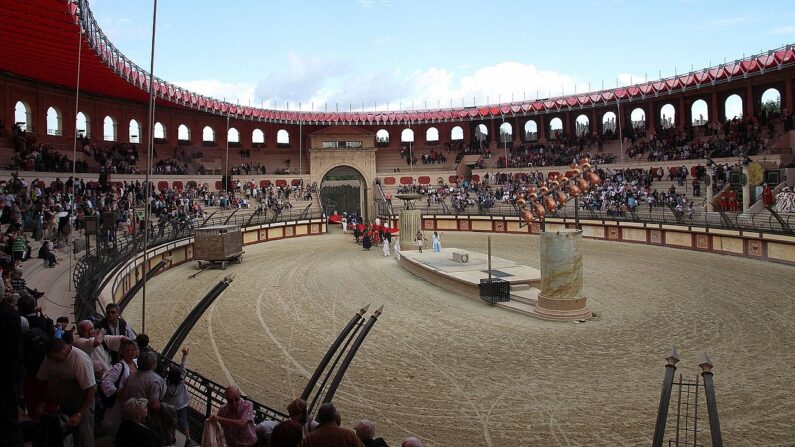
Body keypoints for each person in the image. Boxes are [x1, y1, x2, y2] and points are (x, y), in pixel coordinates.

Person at [36, 338, 96, 447]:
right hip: (63, 404)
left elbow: (91, 389)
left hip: (82, 404)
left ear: (65, 349)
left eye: (56, 357)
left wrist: (79, 414)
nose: (54, 360)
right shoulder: (49, 358)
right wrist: (43, 401)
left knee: (83, 437)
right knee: (63, 437)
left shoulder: (80, 360)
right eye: (51, 358)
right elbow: (44, 381)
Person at [101, 339, 139, 436]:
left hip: (134, 401)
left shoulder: (136, 362)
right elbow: (106, 383)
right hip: (122, 402)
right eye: (129, 350)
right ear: (123, 352)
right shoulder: (119, 366)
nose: (132, 352)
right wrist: (119, 394)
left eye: (134, 349)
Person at [163, 347, 192, 447]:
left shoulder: (167, 386)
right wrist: (185, 355)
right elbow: (183, 366)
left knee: (171, 422)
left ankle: (172, 437)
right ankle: (188, 438)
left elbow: (163, 396)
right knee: (183, 421)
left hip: (171, 407)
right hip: (183, 404)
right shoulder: (181, 380)